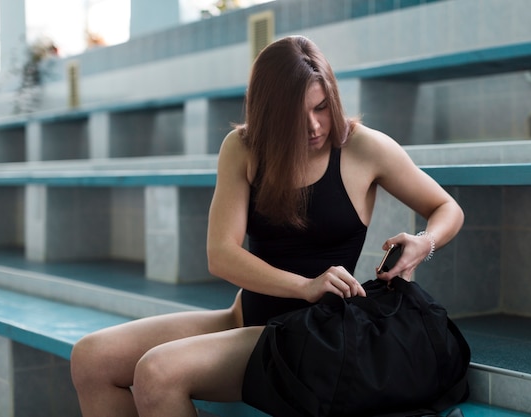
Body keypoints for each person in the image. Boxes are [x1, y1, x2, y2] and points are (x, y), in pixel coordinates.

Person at [70, 35, 464, 417]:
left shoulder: (363, 147)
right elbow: (221, 255)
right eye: (298, 115)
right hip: (246, 317)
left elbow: (446, 207)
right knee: (91, 358)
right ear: (270, 113)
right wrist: (303, 285)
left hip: (306, 337)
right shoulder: (242, 148)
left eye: (322, 107)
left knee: (158, 372)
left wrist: (423, 242)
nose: (314, 126)